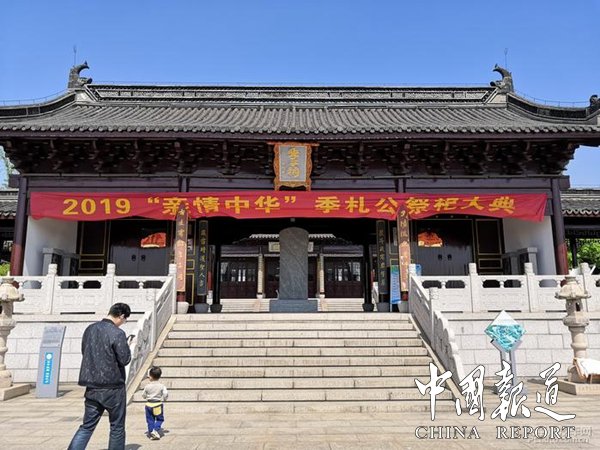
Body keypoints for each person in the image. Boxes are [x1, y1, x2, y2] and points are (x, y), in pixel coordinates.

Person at [68, 303, 133, 450]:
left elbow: (85, 351)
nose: (123, 322)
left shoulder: (90, 329)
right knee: (116, 426)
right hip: (113, 387)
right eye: (125, 320)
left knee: (87, 426)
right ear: (121, 316)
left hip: (92, 385)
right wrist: (127, 346)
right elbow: (124, 359)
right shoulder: (117, 333)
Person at [142, 366, 169, 440]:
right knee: (160, 419)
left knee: (150, 420)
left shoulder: (147, 386)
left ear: (150, 377)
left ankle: (151, 432)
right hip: (157, 405)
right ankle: (155, 429)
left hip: (148, 405)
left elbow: (143, 395)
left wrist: (146, 397)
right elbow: (165, 394)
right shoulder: (162, 386)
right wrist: (165, 398)